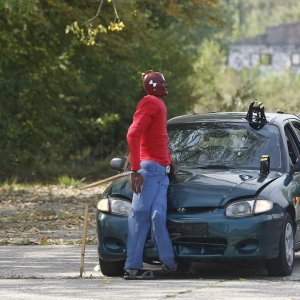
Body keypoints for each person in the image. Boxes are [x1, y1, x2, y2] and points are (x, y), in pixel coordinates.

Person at [124, 70, 177, 280]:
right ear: (154, 86)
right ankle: (132, 267)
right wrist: (135, 170)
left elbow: (159, 137)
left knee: (157, 216)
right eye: (162, 82)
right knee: (139, 216)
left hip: (162, 172)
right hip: (149, 170)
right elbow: (133, 133)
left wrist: (170, 163)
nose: (166, 85)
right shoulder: (149, 102)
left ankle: (170, 263)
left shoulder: (159, 104)